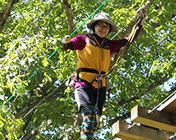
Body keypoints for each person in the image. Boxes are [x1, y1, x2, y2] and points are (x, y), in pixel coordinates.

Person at [62, 10, 147, 139]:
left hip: (100, 85)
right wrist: (65, 41)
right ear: (94, 26)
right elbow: (67, 46)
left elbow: (129, 40)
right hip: (83, 83)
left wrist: (141, 22)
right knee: (89, 114)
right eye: (100, 25)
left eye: (106, 26)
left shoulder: (109, 44)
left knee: (94, 120)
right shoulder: (83, 39)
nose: (103, 29)